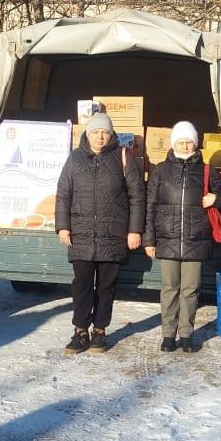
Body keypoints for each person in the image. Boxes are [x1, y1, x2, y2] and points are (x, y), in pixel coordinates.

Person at [55, 111, 145, 355]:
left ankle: (99, 332)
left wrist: (134, 230)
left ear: (111, 134)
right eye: (96, 132)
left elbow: (137, 196)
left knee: (106, 287)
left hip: (112, 235)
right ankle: (80, 331)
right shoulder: (75, 159)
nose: (100, 137)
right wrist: (62, 226)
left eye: (105, 132)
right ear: (88, 133)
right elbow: (64, 194)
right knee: (81, 285)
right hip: (81, 234)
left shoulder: (123, 157)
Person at [143, 121, 221, 354]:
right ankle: (167, 334)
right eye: (181, 141)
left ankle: (186, 334)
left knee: (191, 290)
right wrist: (149, 240)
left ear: (195, 143)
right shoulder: (161, 170)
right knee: (169, 288)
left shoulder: (207, 171)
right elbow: (150, 205)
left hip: (196, 240)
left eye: (189, 141)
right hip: (168, 239)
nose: (185, 145)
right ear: (174, 143)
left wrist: (217, 199)